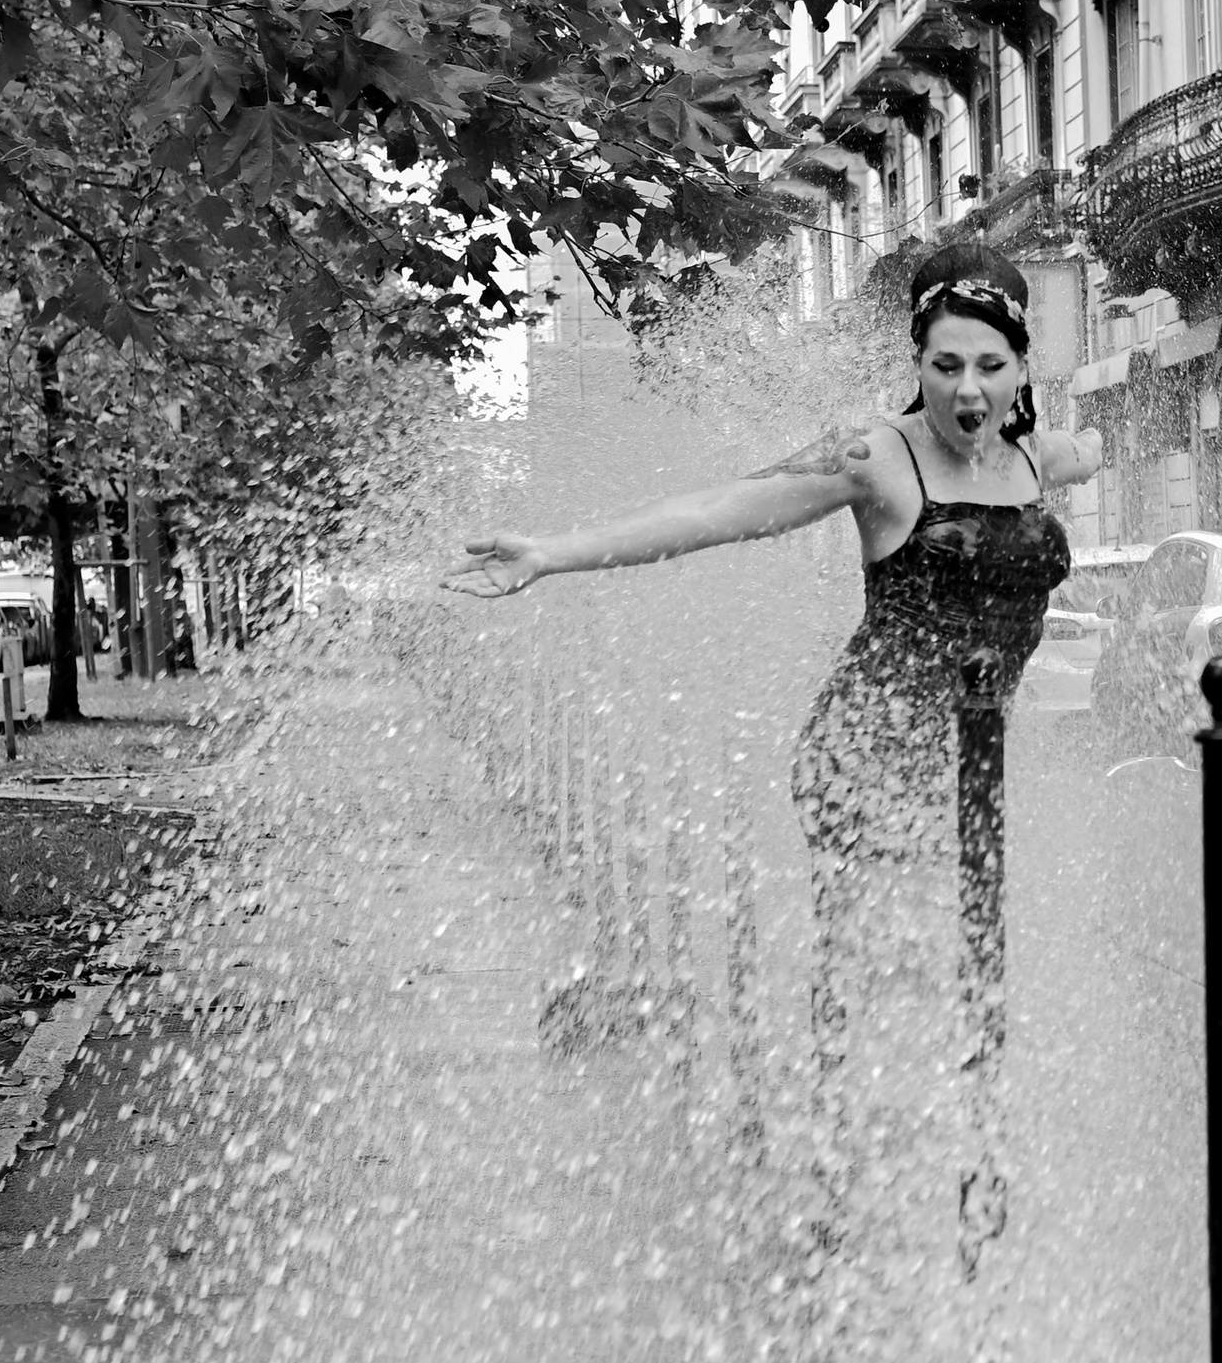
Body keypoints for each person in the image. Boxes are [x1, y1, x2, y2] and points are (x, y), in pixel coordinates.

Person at [453, 240, 1098, 1242]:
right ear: (915, 359)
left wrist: (1084, 449)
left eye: (989, 365)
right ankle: (849, 1190)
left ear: (1021, 364)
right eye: (943, 365)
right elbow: (717, 512)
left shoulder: (1037, 457)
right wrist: (554, 554)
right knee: (888, 970)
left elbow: (1077, 453)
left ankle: (965, 1186)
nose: (966, 390)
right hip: (868, 754)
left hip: (971, 762)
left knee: (972, 970)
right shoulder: (869, 457)